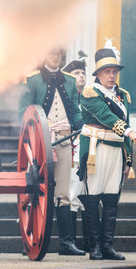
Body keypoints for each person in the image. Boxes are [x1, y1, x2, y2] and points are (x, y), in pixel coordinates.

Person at [78, 42, 136, 261]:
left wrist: (129, 158)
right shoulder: (90, 93)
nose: (112, 76)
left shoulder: (122, 95)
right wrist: (128, 131)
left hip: (116, 151)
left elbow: (126, 123)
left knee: (111, 200)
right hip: (96, 151)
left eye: (114, 71)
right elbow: (106, 116)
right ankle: (94, 246)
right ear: (98, 74)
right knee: (91, 198)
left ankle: (107, 245)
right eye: (107, 72)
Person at [19, 46, 85, 256]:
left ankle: (66, 243)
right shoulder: (32, 80)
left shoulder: (70, 81)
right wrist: (29, 138)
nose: (55, 58)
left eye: (58, 54)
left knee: (63, 192)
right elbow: (24, 112)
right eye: (51, 53)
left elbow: (75, 110)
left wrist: (81, 126)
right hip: (39, 142)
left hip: (64, 140)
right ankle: (29, 241)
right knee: (33, 191)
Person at [61, 52, 88, 251]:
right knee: (71, 193)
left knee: (83, 195)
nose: (81, 76)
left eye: (83, 73)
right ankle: (69, 240)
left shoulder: (89, 98)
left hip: (88, 150)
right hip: (70, 149)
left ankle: (86, 240)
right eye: (76, 72)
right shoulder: (65, 98)